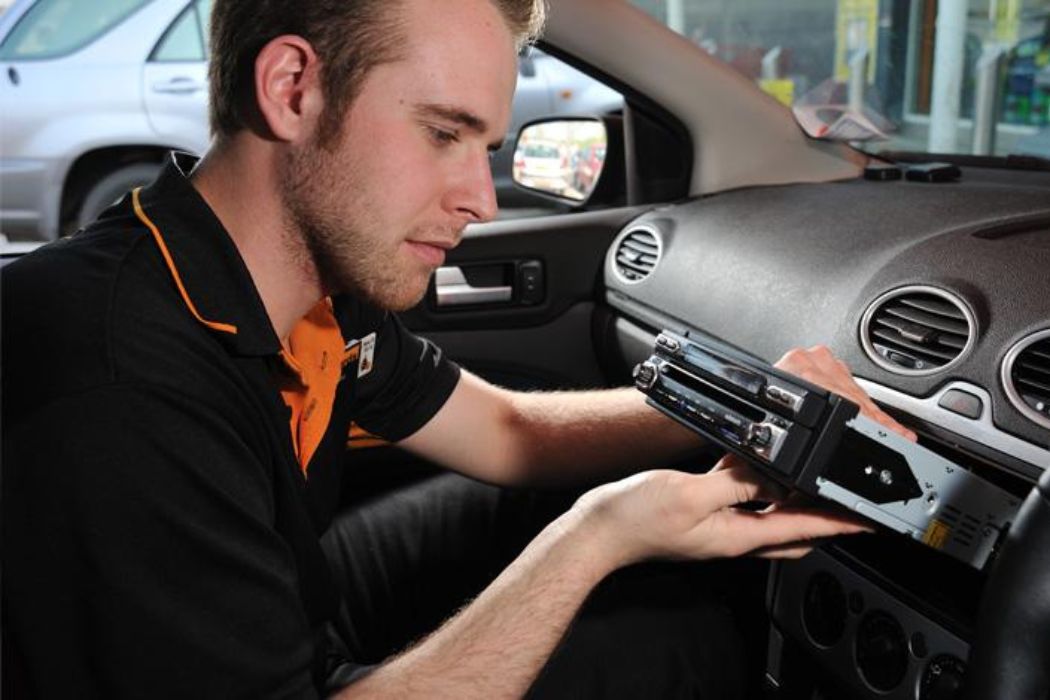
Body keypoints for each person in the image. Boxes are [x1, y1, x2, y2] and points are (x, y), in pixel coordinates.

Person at [1, 0, 916, 697]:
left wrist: (751, 408)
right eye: (444, 134)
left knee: (526, 517)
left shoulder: (300, 289)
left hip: (283, 591)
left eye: (488, 145)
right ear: (291, 89)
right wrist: (599, 537)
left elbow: (510, 432)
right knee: (674, 646)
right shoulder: (117, 389)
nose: (481, 200)